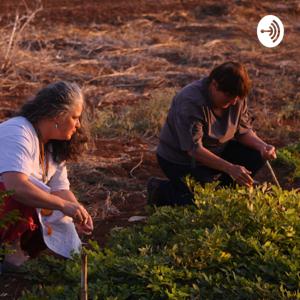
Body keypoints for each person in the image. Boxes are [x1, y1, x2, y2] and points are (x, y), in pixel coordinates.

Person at [148, 62, 277, 206]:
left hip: (217, 150)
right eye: (228, 95)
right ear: (214, 85)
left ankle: (225, 194)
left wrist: (262, 146)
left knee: (255, 154)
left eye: (237, 97)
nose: (234, 101)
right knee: (201, 203)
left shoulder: (236, 97)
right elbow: (193, 149)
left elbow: (243, 132)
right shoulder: (191, 102)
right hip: (182, 160)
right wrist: (230, 168)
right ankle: (161, 191)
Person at [0, 81, 93, 270]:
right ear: (59, 116)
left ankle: (20, 248)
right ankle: (10, 249)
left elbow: (60, 189)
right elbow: (14, 186)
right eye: (75, 117)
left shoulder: (52, 145)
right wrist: (63, 206)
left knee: (54, 206)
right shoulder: (18, 132)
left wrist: (77, 211)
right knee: (23, 191)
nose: (78, 124)